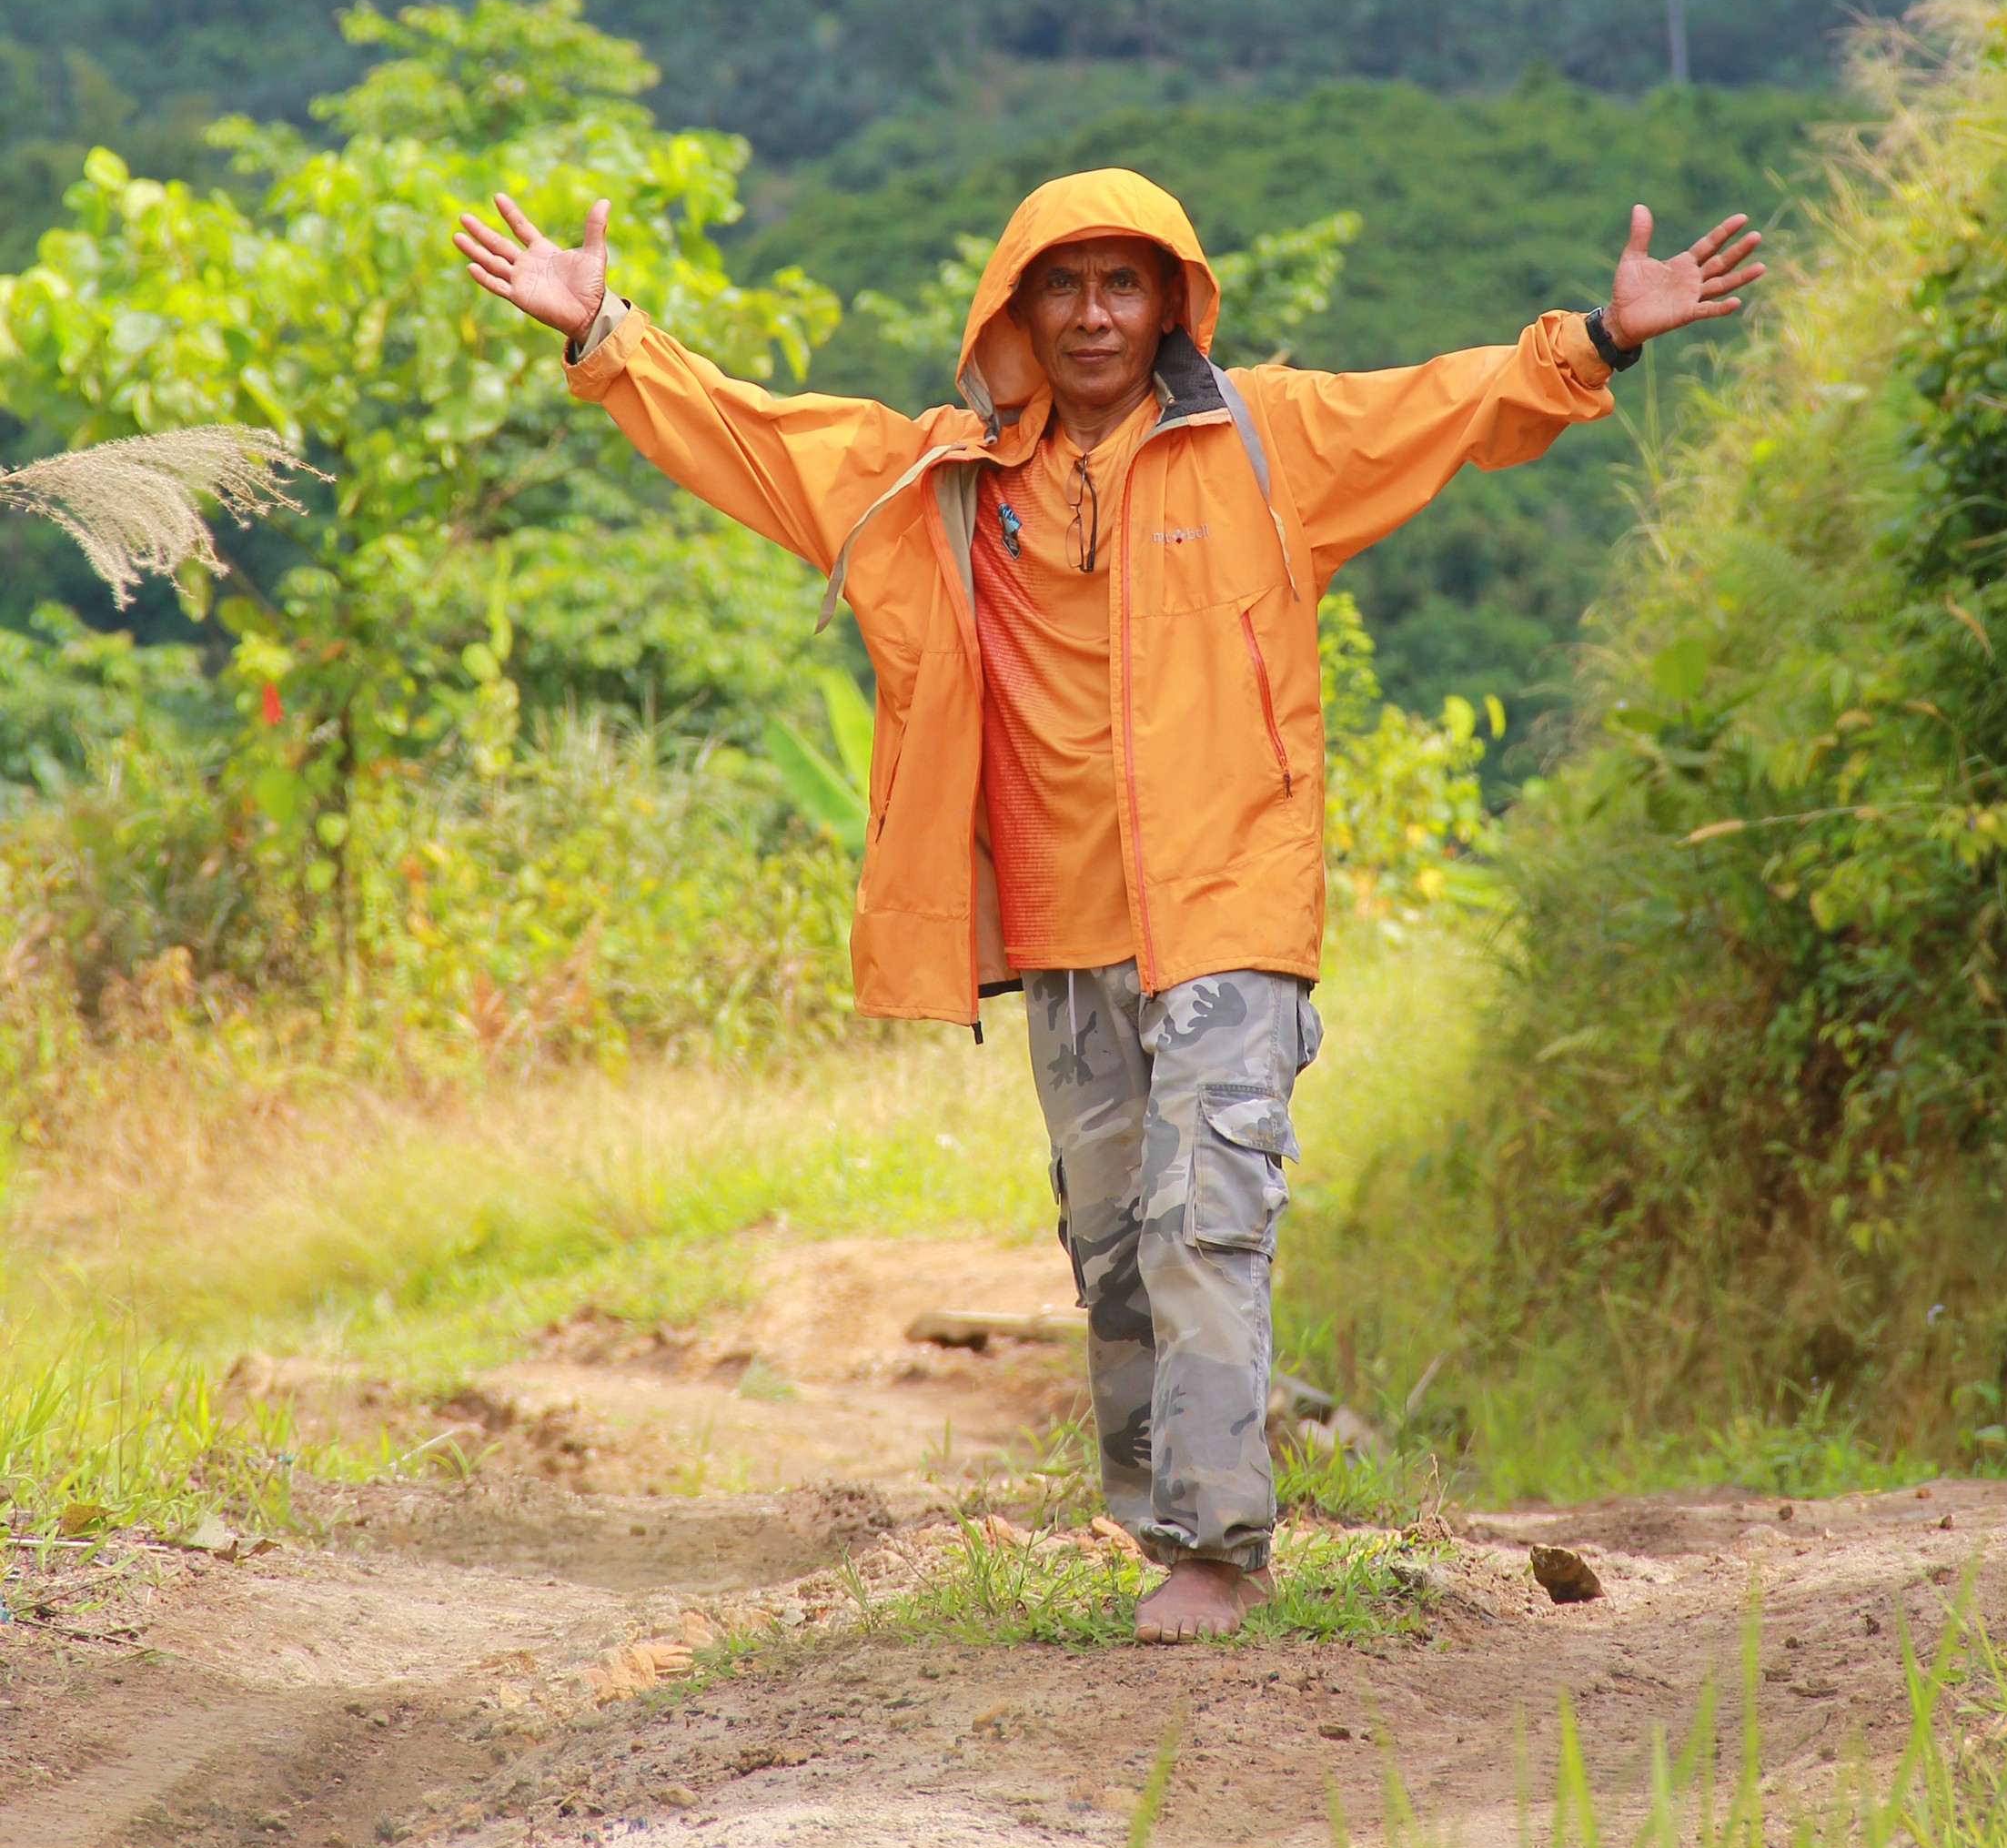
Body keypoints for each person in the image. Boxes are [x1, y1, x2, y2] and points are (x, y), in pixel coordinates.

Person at [454, 168, 1760, 1641]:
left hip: (1230, 904)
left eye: (1122, 284)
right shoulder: (939, 484)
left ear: (1169, 305)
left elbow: (1450, 406)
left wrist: (1602, 337)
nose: (1092, 315)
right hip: (1065, 930)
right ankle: (1159, 1525)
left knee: (1206, 1215)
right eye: (1063, 286)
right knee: (1119, 1248)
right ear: (1015, 313)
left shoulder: (1266, 441)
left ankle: (1218, 1548)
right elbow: (757, 441)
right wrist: (606, 337)